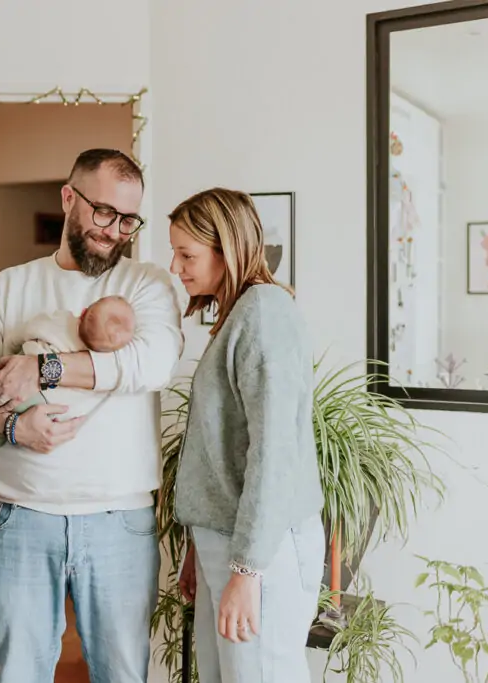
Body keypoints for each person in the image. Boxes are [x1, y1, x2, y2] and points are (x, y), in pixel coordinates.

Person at [0, 148, 184, 683]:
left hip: (119, 520)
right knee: (19, 673)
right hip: (17, 518)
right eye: (103, 212)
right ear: (68, 197)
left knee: (123, 673)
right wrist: (11, 425)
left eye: (128, 219)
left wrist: (46, 369)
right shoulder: (9, 288)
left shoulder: (146, 285)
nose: (114, 231)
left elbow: (152, 363)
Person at [170, 188, 324, 682]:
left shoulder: (263, 313)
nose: (176, 268)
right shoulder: (240, 313)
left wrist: (247, 569)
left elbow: (272, 452)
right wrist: (200, 543)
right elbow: (221, 447)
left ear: (227, 248)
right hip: (231, 541)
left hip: (263, 549)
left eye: (187, 254)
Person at [0, 294, 136, 455]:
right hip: (39, 402)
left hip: (13, 369)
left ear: (84, 311)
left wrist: (9, 350)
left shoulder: (61, 319)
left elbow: (26, 331)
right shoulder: (97, 362)